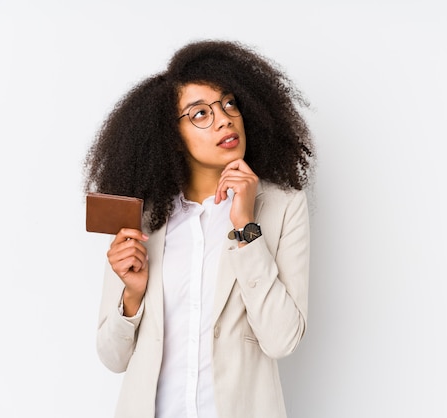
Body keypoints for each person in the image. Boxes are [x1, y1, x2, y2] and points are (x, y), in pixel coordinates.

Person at [82, 39, 316, 418]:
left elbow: (282, 339)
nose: (224, 118)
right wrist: (131, 296)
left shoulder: (282, 206)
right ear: (173, 138)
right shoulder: (143, 218)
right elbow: (113, 358)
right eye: (200, 114)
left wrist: (245, 229)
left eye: (228, 103)